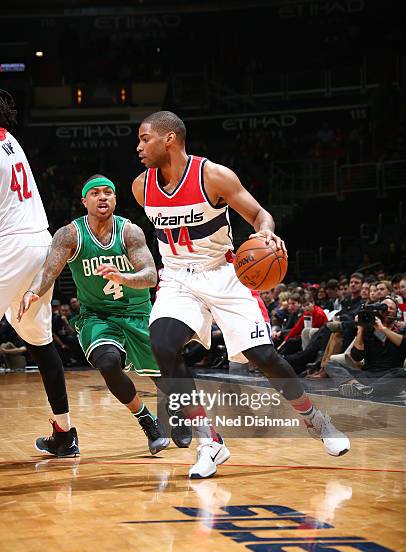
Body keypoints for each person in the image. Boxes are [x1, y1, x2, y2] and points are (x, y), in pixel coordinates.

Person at [132, 110, 350, 479]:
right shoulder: (141, 186)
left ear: (169, 139)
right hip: (178, 280)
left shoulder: (212, 176)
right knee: (163, 346)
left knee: (264, 357)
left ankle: (315, 418)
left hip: (224, 275)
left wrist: (265, 233)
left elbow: (259, 214)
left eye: (144, 138)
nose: (139, 147)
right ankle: (209, 441)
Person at [18, 174, 184, 455]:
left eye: (108, 192)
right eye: (95, 193)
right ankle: (147, 420)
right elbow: (49, 271)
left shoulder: (129, 231)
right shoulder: (69, 234)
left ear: (116, 199)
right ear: (84, 201)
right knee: (107, 363)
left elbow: (150, 275)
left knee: (165, 378)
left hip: (136, 313)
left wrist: (124, 277)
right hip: (98, 315)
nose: (103, 197)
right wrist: (33, 291)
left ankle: (179, 412)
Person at [0, 89, 78, 457]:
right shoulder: (10, 139)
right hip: (38, 241)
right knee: (40, 342)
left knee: (41, 342)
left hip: (12, 246)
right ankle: (64, 433)